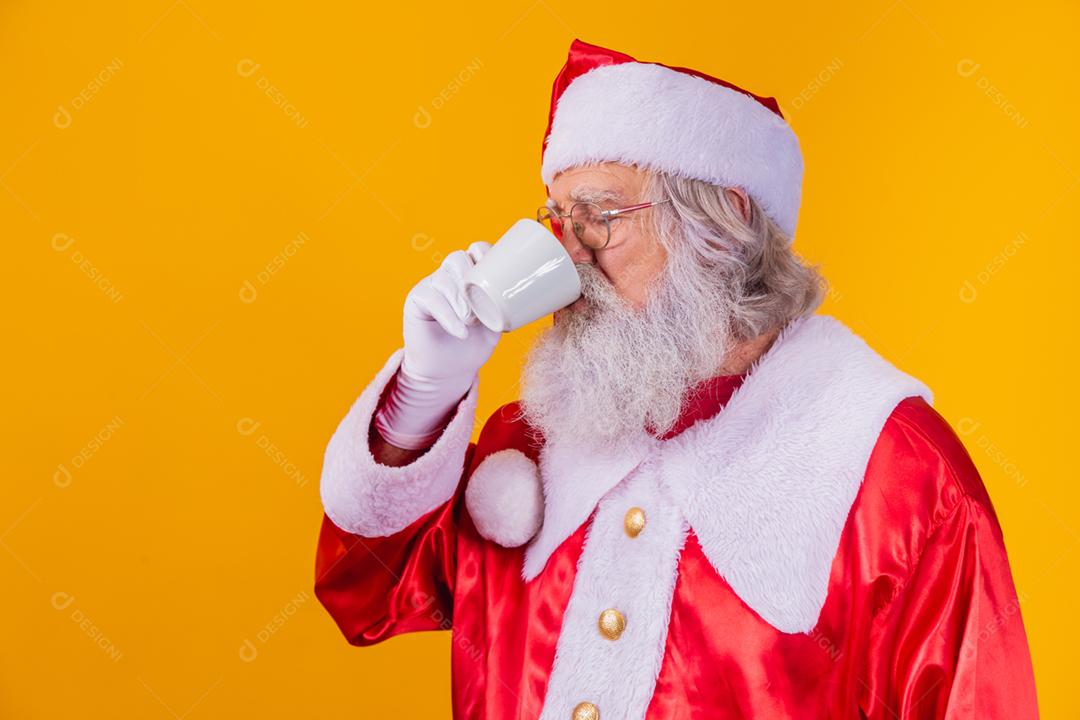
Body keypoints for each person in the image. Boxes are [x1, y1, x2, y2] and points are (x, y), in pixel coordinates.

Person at [314, 38, 1038, 719]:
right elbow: (368, 595)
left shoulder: (896, 473)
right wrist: (424, 391)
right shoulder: (529, 441)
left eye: (597, 218)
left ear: (722, 227)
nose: (568, 260)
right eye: (555, 219)